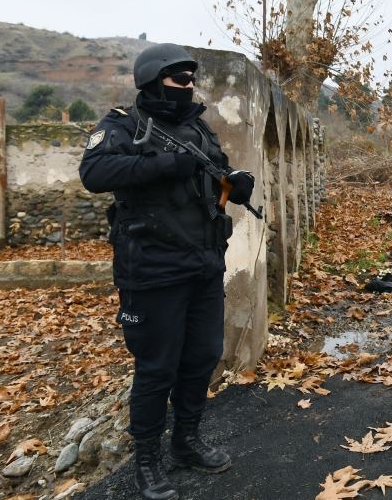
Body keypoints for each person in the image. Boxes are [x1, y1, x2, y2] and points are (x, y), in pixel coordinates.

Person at [79, 43, 254, 500]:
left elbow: (211, 172)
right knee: (157, 368)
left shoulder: (196, 127)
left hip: (203, 264)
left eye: (192, 80)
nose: (189, 86)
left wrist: (234, 182)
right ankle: (147, 460)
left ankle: (186, 441)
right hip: (152, 270)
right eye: (180, 80)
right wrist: (163, 165)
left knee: (201, 357)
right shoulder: (124, 125)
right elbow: (94, 173)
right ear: (155, 81)